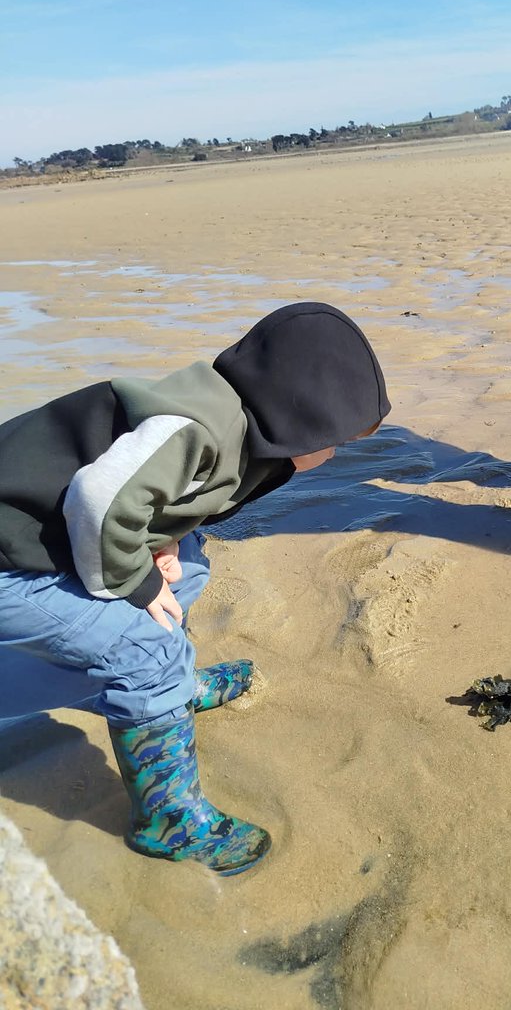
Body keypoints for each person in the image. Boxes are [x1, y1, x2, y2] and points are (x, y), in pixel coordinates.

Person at [0, 302, 390, 875]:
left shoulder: (237, 421)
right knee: (142, 648)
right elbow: (99, 496)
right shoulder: (196, 429)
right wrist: (131, 579)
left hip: (51, 536)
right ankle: (169, 822)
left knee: (189, 563)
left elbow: (153, 499)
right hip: (10, 562)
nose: (334, 453)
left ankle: (167, 689)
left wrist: (155, 542)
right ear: (297, 416)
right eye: (335, 439)